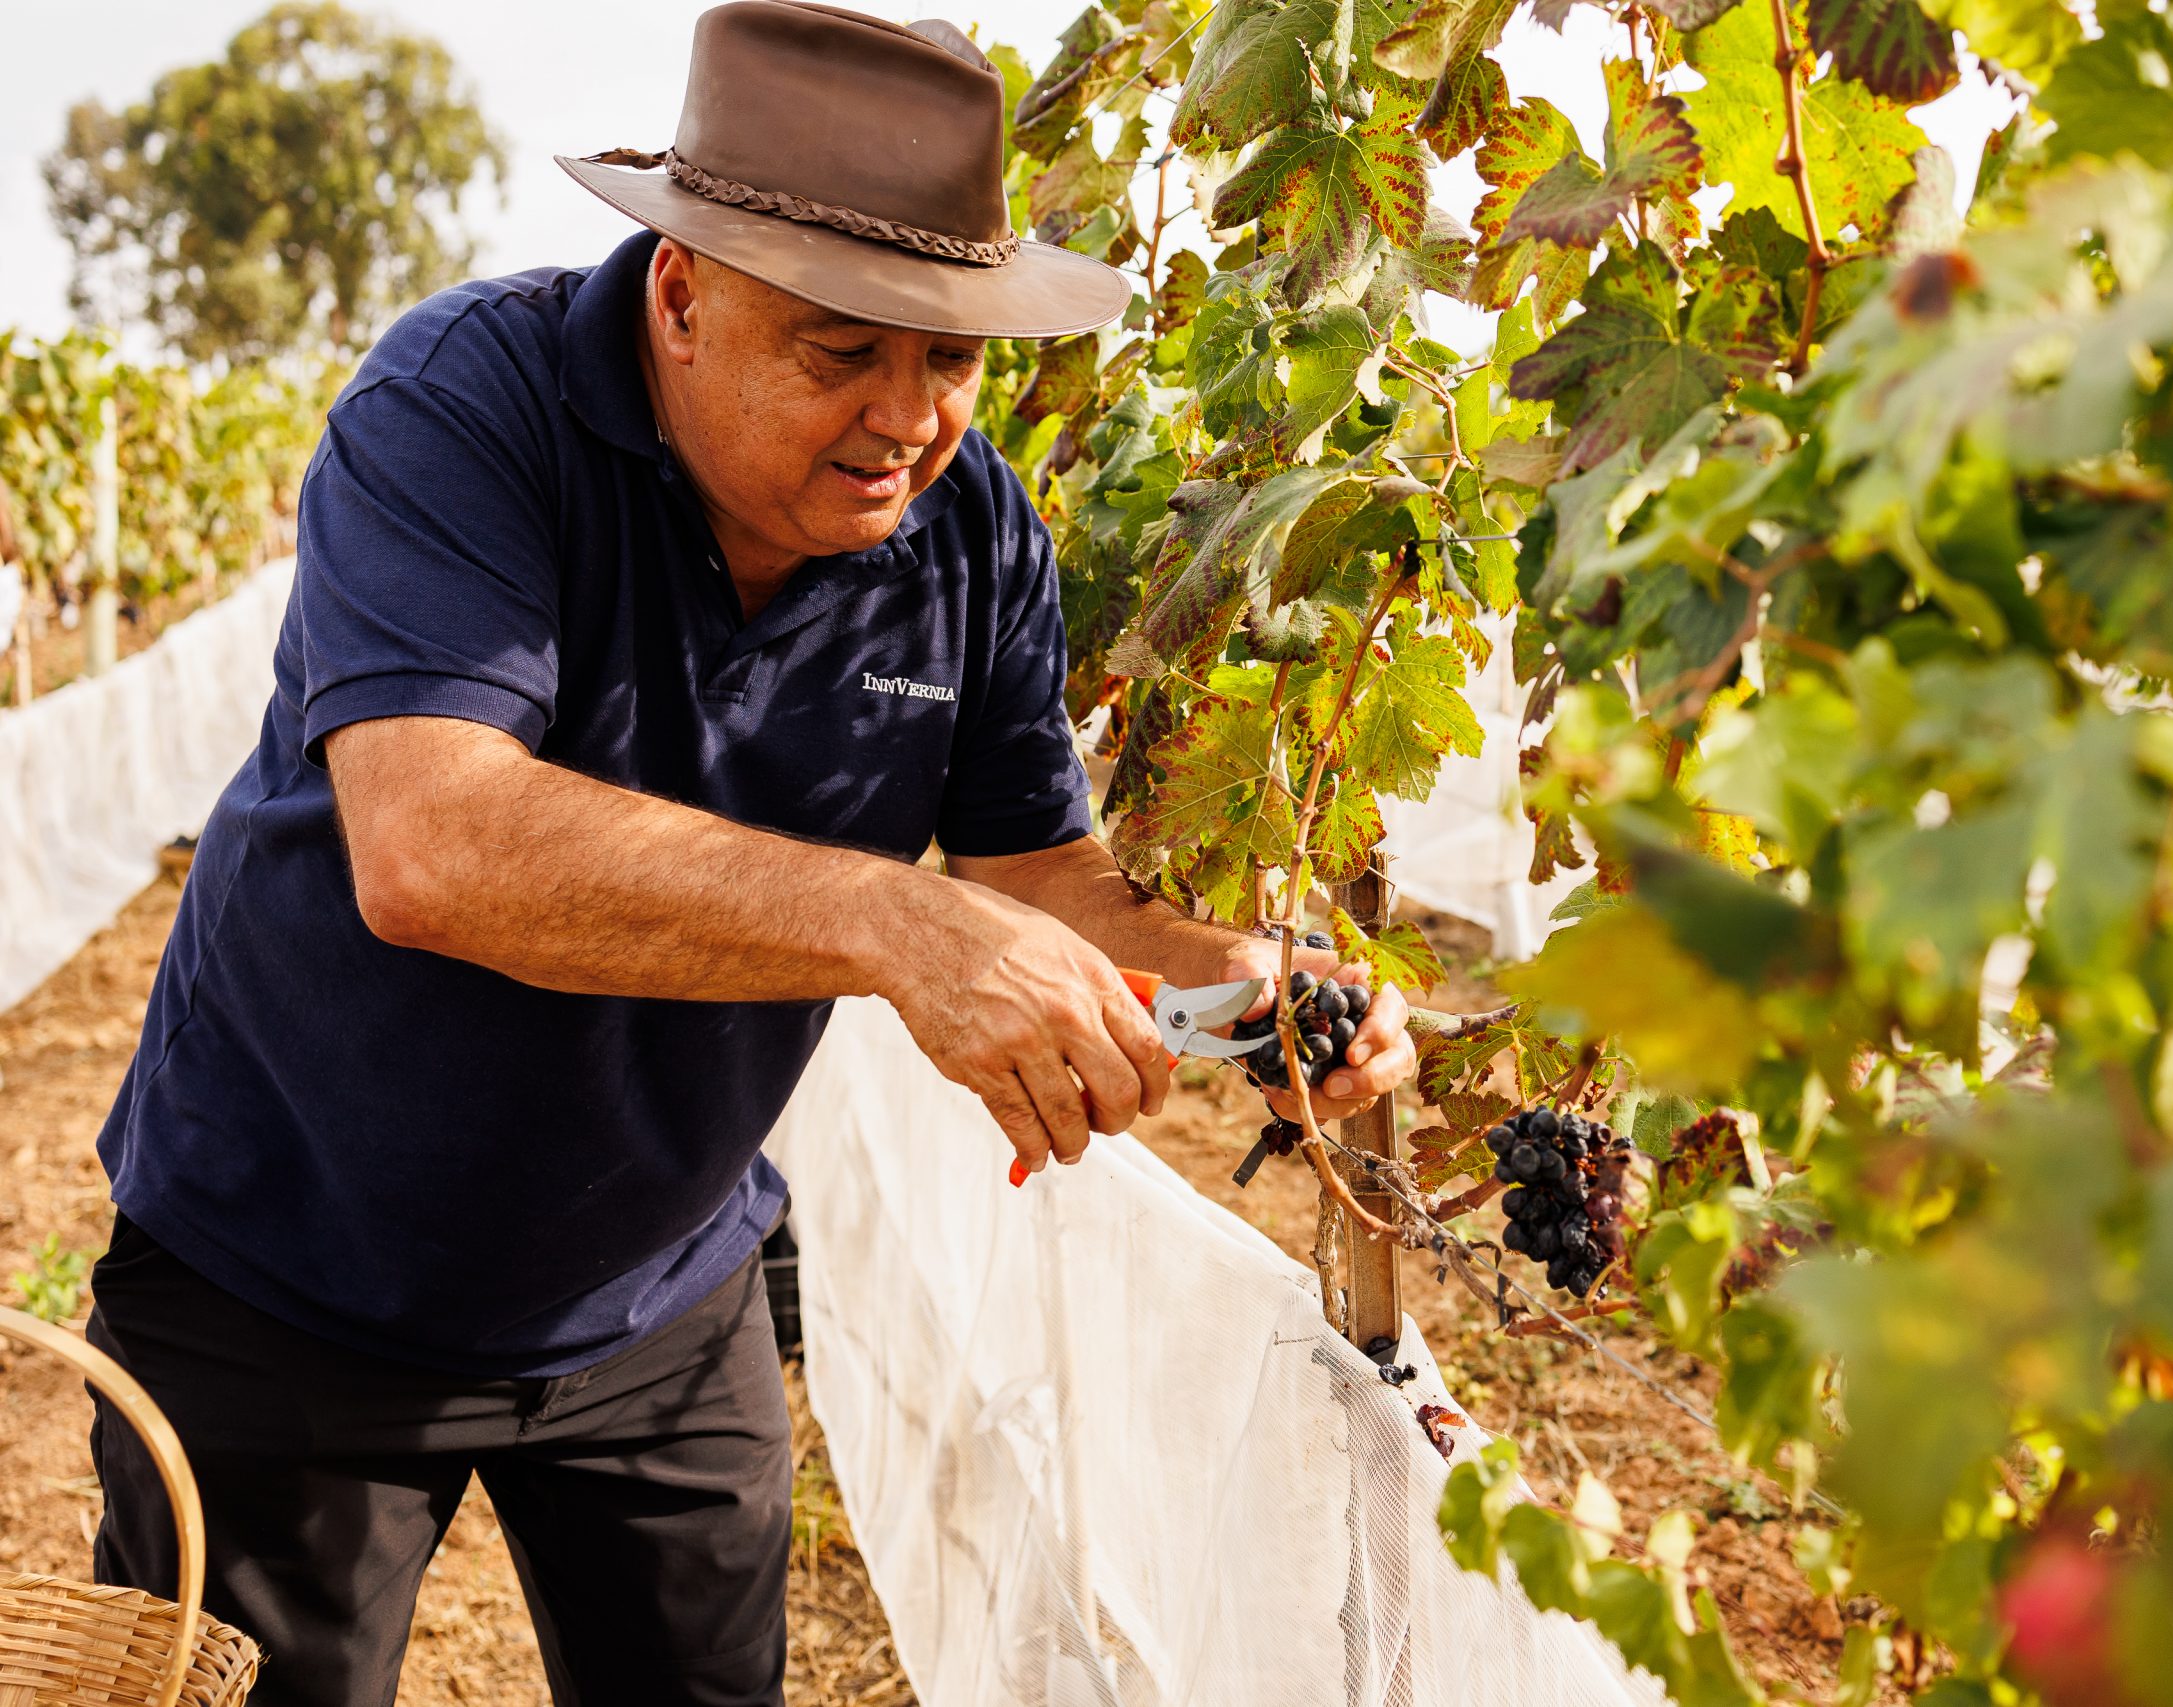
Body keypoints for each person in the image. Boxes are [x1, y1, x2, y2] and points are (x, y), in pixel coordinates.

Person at [80, 6, 1418, 1703]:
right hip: (291, 1281)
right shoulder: (460, 412)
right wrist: (892, 924)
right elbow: (435, 845)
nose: (907, 419)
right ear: (680, 294)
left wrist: (1257, 982)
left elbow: (1031, 871)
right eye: (842, 351)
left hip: (658, 1290)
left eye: (951, 359)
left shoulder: (971, 523)